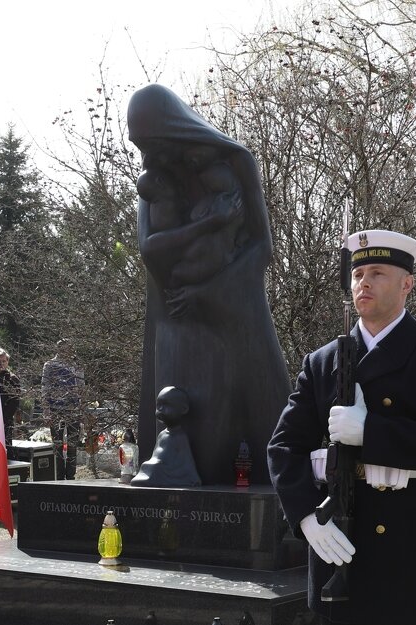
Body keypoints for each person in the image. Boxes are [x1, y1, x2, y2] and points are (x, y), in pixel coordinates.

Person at [267, 229, 416, 625]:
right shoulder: (321, 362)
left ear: (407, 284)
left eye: (378, 272)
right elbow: (283, 448)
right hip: (338, 542)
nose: (363, 281)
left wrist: (372, 431)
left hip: (409, 548)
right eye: (358, 273)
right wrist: (303, 518)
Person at [129, 83, 290, 485]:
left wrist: (207, 294)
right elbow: (150, 250)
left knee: (235, 420)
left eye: (155, 144)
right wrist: (208, 224)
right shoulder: (152, 182)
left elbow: (261, 248)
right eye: (142, 146)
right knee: (182, 419)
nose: (151, 156)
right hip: (176, 319)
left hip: (231, 314)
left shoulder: (235, 164)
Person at [41, 339, 83, 479]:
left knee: (72, 445)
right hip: (55, 408)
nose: (66, 351)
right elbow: (44, 387)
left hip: (73, 409)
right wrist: (46, 410)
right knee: (58, 445)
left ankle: (71, 476)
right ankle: (59, 477)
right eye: (63, 348)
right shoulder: (50, 365)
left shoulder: (76, 365)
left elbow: (81, 387)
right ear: (58, 349)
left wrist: (81, 408)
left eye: (69, 348)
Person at [0, 348, 22, 434]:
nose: (1, 364)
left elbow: (15, 402)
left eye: (4, 361)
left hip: (5, 420)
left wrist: (4, 418)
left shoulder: (12, 379)